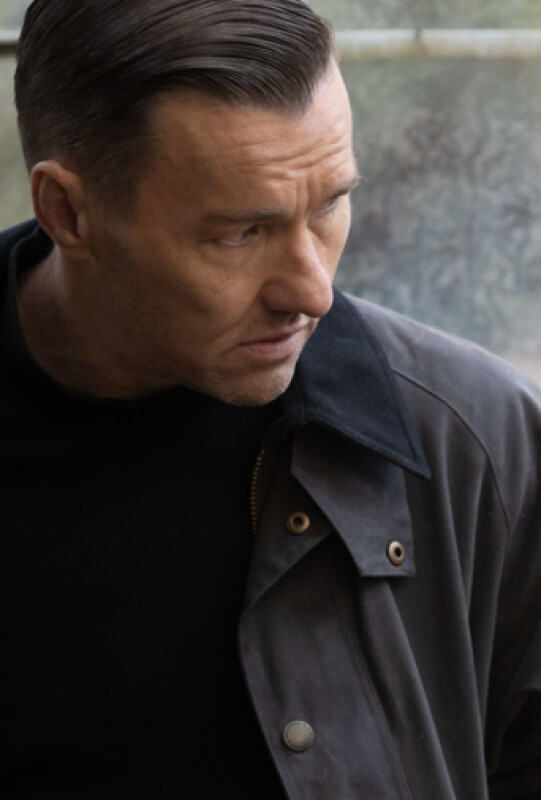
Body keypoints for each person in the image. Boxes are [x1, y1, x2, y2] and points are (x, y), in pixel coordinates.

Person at [1, 0, 539, 797]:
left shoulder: (479, 440)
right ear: (68, 213)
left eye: (329, 205)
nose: (313, 292)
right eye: (239, 234)